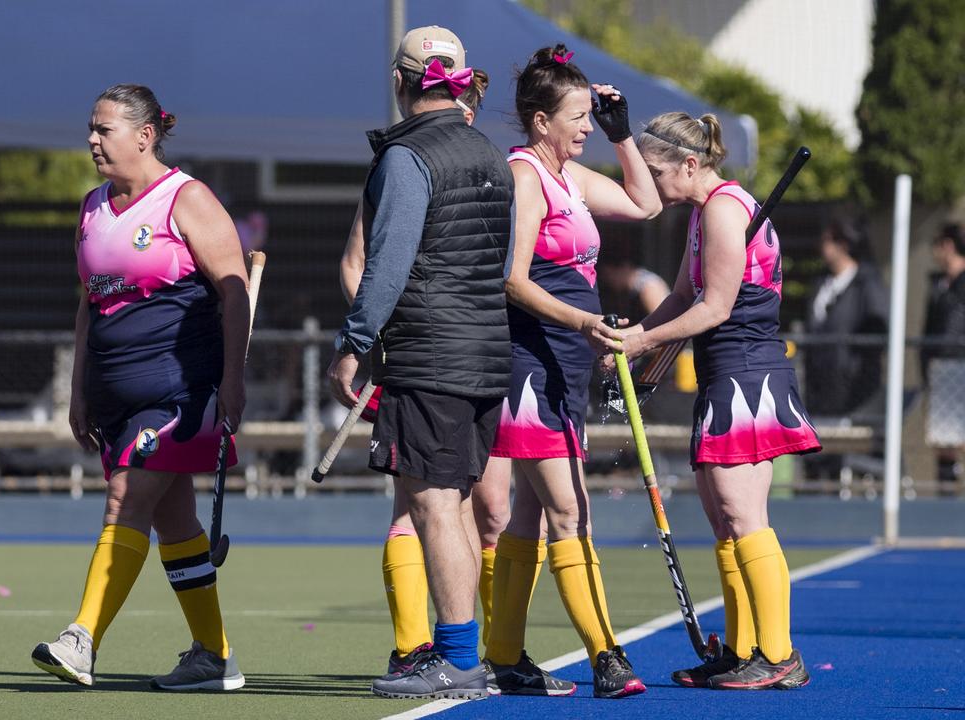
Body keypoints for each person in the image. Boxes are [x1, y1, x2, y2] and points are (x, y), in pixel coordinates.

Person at [30, 84, 250, 692]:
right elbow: (89, 305)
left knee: (126, 498)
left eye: (105, 130)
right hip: (114, 396)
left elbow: (234, 292)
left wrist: (233, 379)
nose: (92, 140)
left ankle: (81, 638)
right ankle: (213, 655)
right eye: (91, 128)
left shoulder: (188, 199)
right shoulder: (92, 206)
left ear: (145, 135)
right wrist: (78, 393)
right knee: (174, 521)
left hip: (180, 391)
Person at [327, 25, 513, 699]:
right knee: (453, 503)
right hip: (490, 351)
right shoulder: (490, 153)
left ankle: (459, 660)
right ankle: (463, 652)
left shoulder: (407, 157)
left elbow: (387, 266)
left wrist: (353, 344)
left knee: (434, 504)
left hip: (432, 355)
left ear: (400, 83)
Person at [483, 44, 661, 699]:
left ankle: (504, 657)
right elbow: (512, 279)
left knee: (528, 517)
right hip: (531, 367)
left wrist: (623, 135)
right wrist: (583, 322)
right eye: (579, 116)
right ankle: (606, 656)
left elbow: (646, 206)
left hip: (565, 368)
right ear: (541, 122)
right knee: (569, 509)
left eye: (593, 116)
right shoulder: (526, 175)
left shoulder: (570, 174)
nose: (587, 126)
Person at [618, 110, 819, 689]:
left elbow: (716, 307)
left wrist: (642, 339)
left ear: (690, 163)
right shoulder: (704, 217)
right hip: (718, 371)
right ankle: (741, 648)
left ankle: (778, 654)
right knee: (721, 515)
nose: (652, 183)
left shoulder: (728, 210)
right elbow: (683, 295)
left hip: (747, 373)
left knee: (742, 512)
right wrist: (635, 348)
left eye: (657, 172)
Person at [804, 215, 887, 419]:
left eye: (826, 241)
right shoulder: (821, 283)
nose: (822, 247)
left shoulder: (867, 283)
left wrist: (854, 365)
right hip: (820, 381)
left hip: (853, 385)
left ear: (842, 244)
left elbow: (877, 327)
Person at [924, 223, 965, 484]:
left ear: (948, 245)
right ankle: (946, 498)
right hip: (941, 369)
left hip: (960, 366)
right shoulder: (939, 285)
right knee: (944, 443)